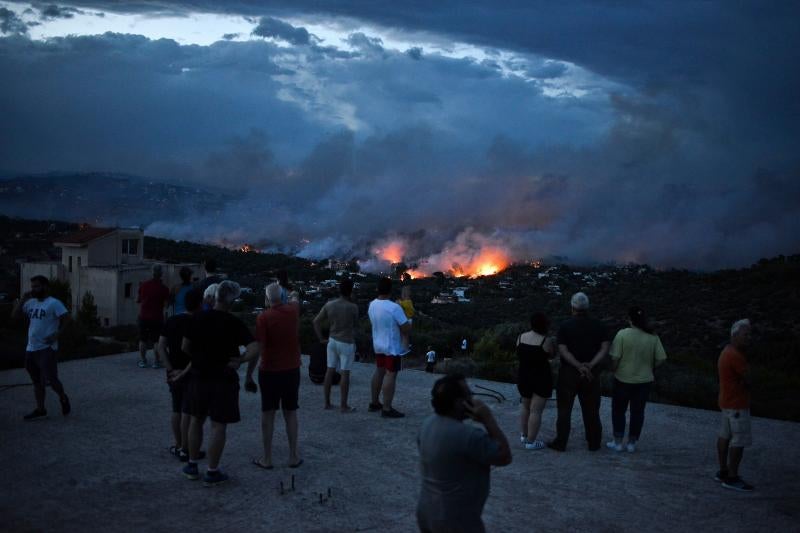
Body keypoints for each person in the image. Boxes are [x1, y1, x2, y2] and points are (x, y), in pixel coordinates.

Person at [180, 280, 259, 486]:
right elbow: (255, 348)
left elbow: (185, 347)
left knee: (196, 419)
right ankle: (212, 472)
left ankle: (191, 464)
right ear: (232, 301)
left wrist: (198, 358)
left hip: (199, 376)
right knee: (218, 425)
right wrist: (240, 360)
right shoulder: (234, 323)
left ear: (215, 297)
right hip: (223, 380)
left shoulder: (197, 318)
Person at [417, 373, 512, 533]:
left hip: (427, 511)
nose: (473, 399)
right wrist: (488, 419)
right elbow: (505, 456)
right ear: (458, 403)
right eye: (469, 394)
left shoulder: (427, 424)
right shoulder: (469, 436)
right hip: (457, 520)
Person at [246, 283, 303, 469]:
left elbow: (259, 348)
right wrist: (290, 292)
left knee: (268, 414)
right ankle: (293, 456)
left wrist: (248, 373)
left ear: (267, 299)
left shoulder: (263, 317)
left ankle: (267, 458)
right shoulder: (293, 311)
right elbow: (295, 298)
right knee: (291, 413)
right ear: (283, 297)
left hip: (269, 372)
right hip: (291, 370)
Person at [548, 292, 609, 452]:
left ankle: (561, 442)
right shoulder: (599, 325)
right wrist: (589, 366)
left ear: (572, 307)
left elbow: (563, 350)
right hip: (591, 374)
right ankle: (594, 443)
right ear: (587, 307)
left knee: (564, 410)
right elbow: (604, 349)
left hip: (569, 373)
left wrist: (578, 366)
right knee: (591, 409)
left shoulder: (565, 326)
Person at [606, 306, 667, 453]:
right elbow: (661, 358)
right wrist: (650, 367)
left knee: (618, 410)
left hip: (622, 379)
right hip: (644, 381)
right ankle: (632, 443)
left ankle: (618, 442)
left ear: (630, 319)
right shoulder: (652, 336)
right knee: (638, 412)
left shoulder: (622, 334)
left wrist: (613, 369)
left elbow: (615, 357)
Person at [12, 276, 71, 420]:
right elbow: (14, 316)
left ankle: (63, 397)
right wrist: (22, 300)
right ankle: (41, 409)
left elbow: (67, 318)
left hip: (47, 348)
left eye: (37, 286)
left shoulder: (54, 303)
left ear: (45, 287)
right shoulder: (31, 303)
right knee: (37, 381)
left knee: (51, 379)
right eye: (32, 286)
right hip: (31, 348)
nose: (34, 289)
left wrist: (57, 335)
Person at [157, 287, 203, 461]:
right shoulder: (198, 323)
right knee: (188, 412)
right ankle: (187, 448)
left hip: (173, 371)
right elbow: (198, 353)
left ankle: (178, 445)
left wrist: (170, 369)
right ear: (199, 304)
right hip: (191, 372)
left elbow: (161, 347)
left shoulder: (172, 320)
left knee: (176, 408)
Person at [715, 319, 755, 492]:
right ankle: (732, 477)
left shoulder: (726, 351)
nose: (749, 338)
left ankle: (723, 470)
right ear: (735, 335)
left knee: (725, 435)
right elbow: (750, 380)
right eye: (746, 335)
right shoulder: (736, 357)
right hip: (737, 404)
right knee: (738, 440)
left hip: (726, 401)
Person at [313, 278, 359, 412]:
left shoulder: (329, 304)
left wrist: (321, 339)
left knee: (329, 371)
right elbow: (355, 325)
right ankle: (343, 406)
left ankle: (327, 403)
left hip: (332, 341)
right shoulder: (353, 307)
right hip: (347, 342)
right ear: (350, 291)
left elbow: (315, 321)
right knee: (345, 373)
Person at [368, 277, 412, 418]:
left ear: (377, 289)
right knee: (390, 374)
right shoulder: (394, 308)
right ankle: (387, 408)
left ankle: (374, 403)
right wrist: (409, 316)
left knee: (379, 371)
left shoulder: (372, 305)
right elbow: (406, 329)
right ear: (390, 290)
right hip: (392, 347)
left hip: (378, 345)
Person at [517, 312, 556, 450]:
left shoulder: (520, 337)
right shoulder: (545, 341)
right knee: (536, 411)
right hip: (541, 377)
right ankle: (531, 442)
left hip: (524, 376)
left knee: (525, 407)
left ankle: (524, 435)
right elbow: (551, 355)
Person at [137, 264, 170, 369]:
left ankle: (143, 361)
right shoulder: (164, 289)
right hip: (157, 318)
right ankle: (156, 362)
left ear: (152, 273)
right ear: (161, 274)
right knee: (156, 341)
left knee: (143, 340)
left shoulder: (143, 285)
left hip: (143, 317)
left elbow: (137, 300)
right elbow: (166, 305)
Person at [397, 285, 414, 353]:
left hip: (406, 321)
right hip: (409, 320)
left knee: (403, 335)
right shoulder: (409, 302)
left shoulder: (407, 302)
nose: (402, 295)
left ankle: (404, 348)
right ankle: (406, 347)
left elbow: (400, 304)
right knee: (405, 336)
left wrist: (398, 302)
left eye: (403, 293)